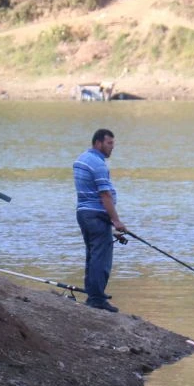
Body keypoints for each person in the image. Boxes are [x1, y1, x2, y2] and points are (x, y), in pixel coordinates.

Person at [73, 128, 127, 312]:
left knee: (92, 254)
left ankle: (93, 294)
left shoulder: (81, 159)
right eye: (109, 143)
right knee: (101, 258)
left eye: (113, 143)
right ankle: (96, 299)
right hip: (96, 215)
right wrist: (116, 221)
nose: (112, 147)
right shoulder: (98, 164)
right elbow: (104, 195)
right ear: (98, 143)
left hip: (83, 213)